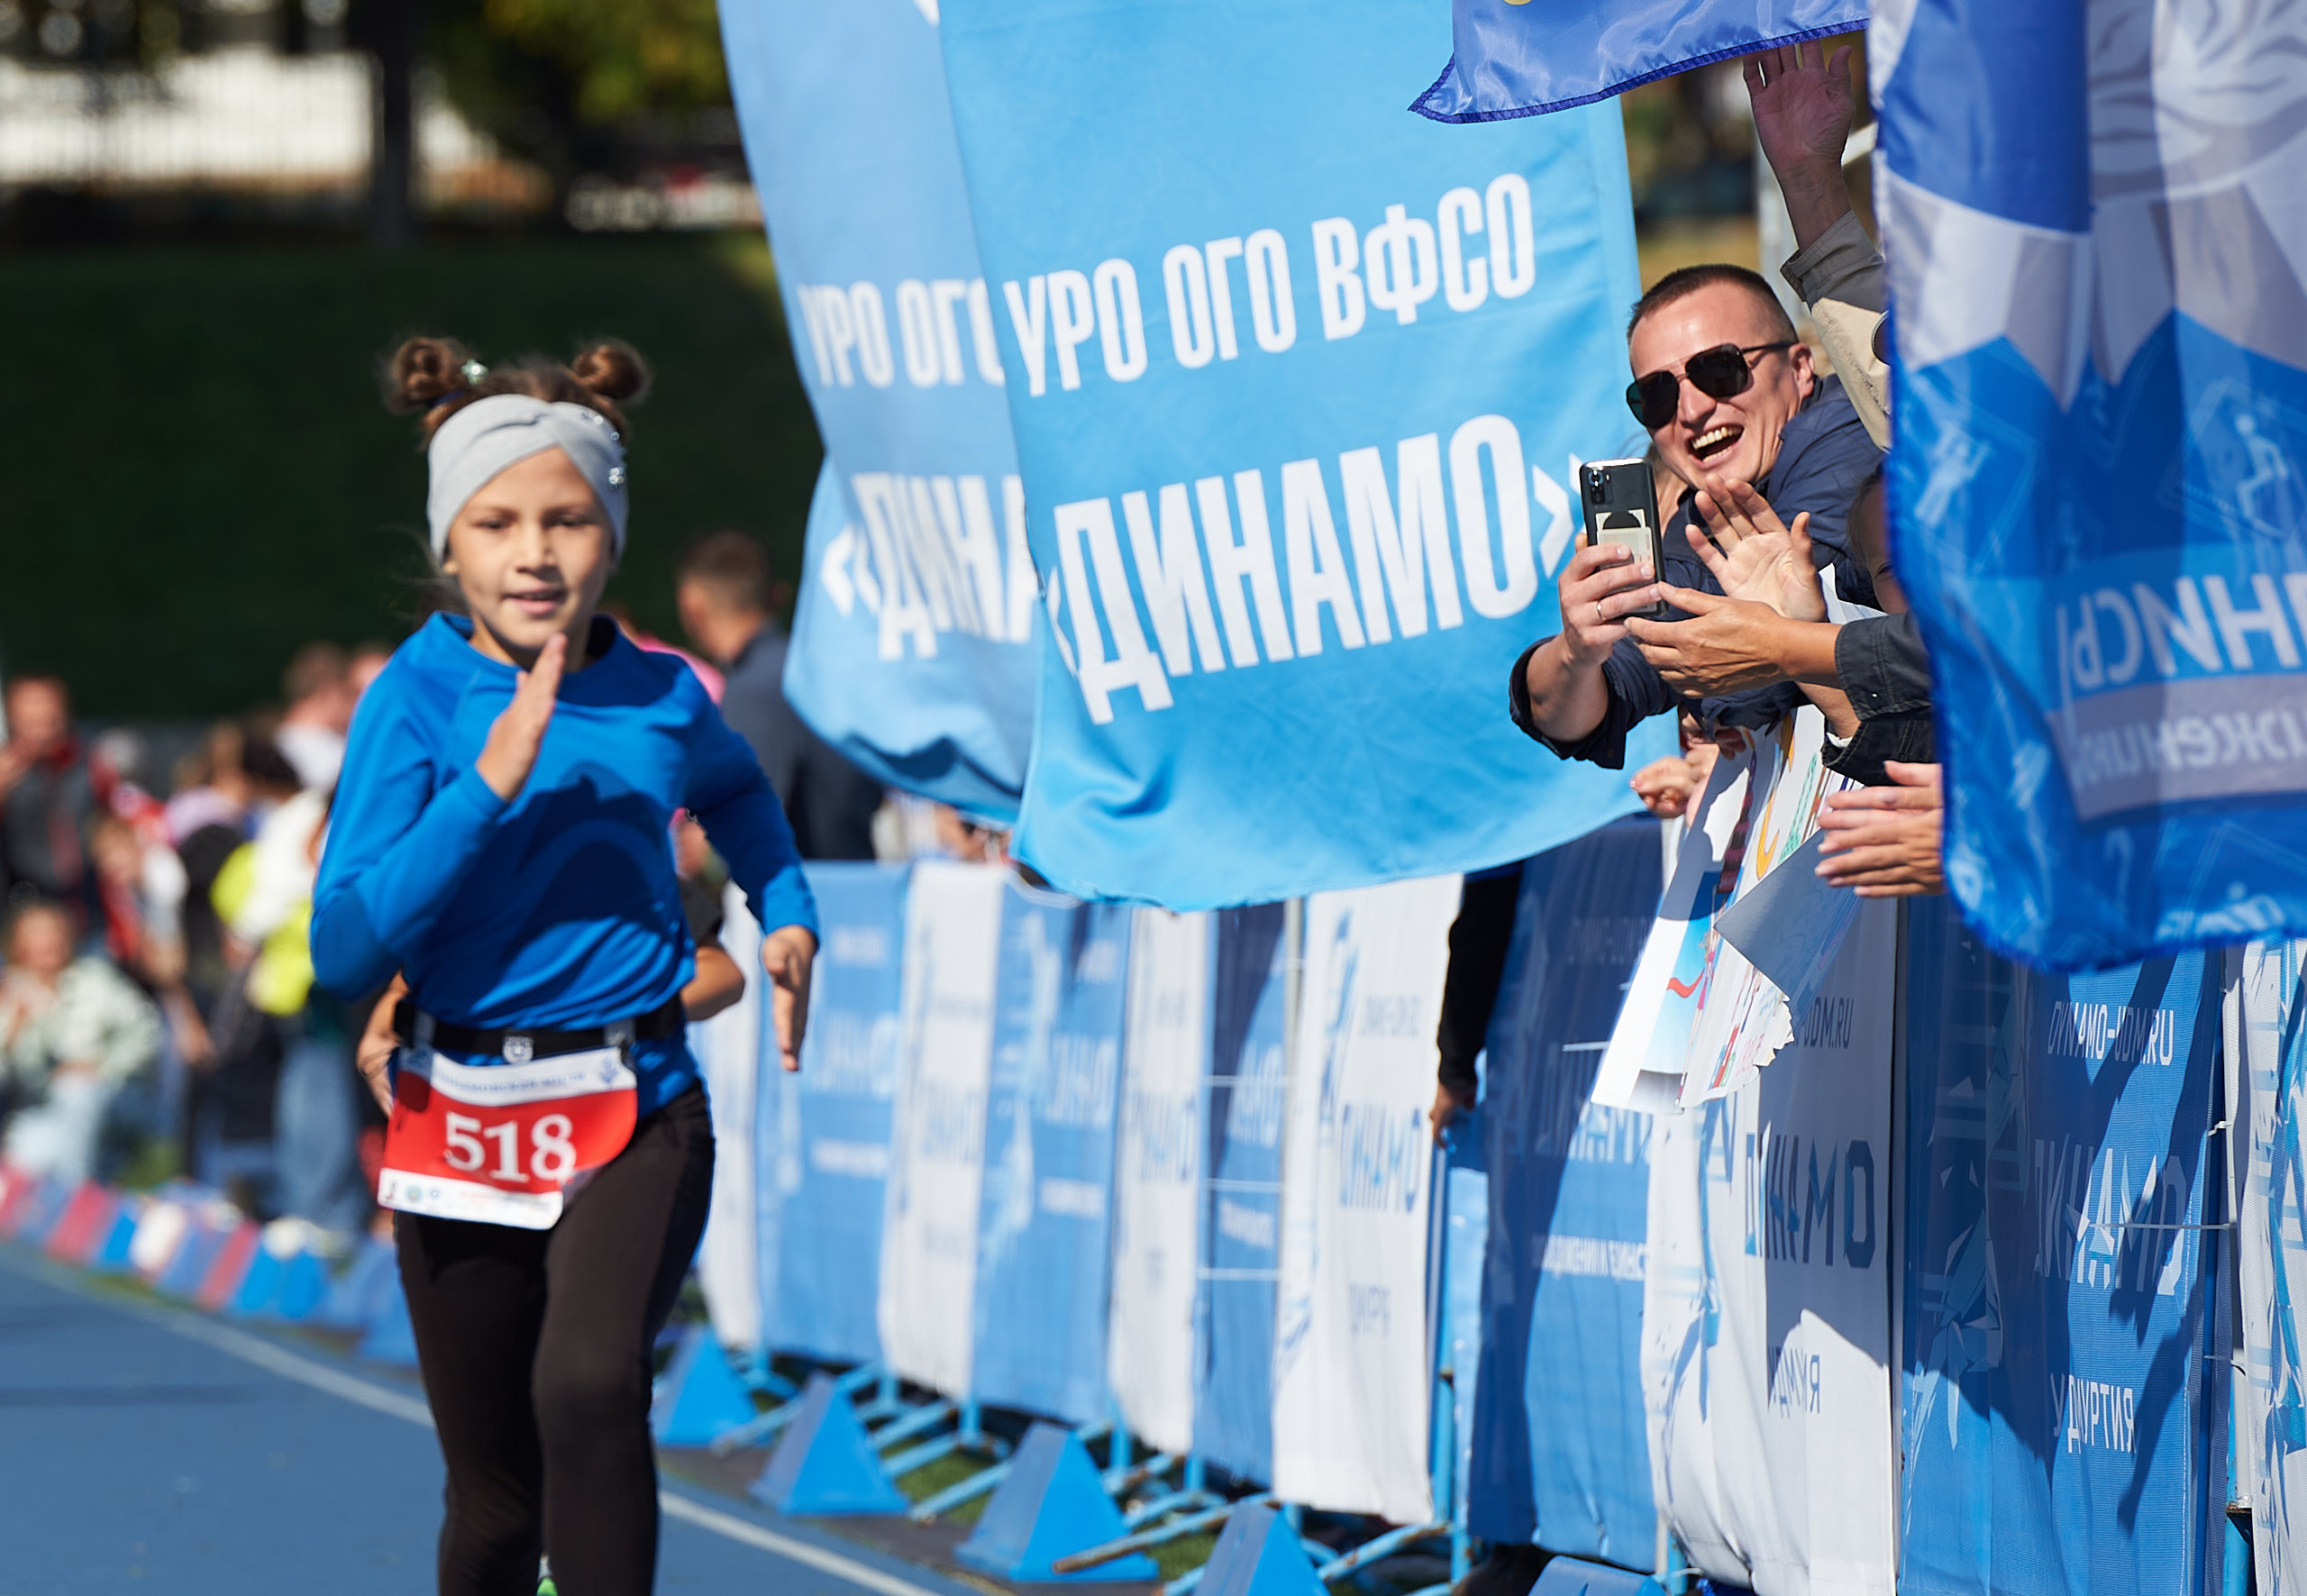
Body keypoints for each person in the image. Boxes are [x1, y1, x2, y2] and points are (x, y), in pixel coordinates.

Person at [312, 334, 818, 1596]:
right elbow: (342, 944)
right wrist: (485, 785)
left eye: (568, 520)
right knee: (494, 1507)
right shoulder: (412, 700)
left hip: (636, 1099)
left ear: (613, 539)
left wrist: (788, 903)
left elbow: (740, 789)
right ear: (451, 545)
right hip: (460, 1111)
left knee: (589, 1382)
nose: (534, 551)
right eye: (497, 523)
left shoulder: (659, 691)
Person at [1509, 260, 1883, 768]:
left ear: (1798, 368)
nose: (1690, 411)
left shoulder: (1849, 428)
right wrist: (1578, 650)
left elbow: (1775, 657)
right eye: (1657, 395)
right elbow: (1583, 712)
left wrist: (1706, 704)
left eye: (1718, 370)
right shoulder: (1698, 514)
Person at [674, 530, 884, 860]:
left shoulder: (752, 689)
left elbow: (748, 824)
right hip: (854, 884)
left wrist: (706, 853)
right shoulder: (818, 670)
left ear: (693, 606)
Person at [0, 901, 163, 1183]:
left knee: (75, 1092)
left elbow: (146, 1032)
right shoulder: (11, 991)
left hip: (108, 1099)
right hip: (37, 1109)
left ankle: (76, 1197)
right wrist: (13, 1028)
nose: (45, 943)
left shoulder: (95, 979)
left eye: (51, 933)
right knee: (24, 1152)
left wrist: (103, 1066)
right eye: (35, 935)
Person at [0, 674, 98, 927]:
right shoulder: (8, 772)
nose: (43, 732)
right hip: (19, 911)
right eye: (31, 723)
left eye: (50, 720)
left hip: (85, 907)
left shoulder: (89, 766)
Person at [274, 643, 358, 792]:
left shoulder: (271, 744)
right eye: (348, 693)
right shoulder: (329, 752)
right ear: (327, 690)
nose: (355, 703)